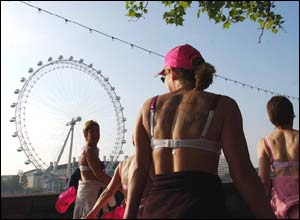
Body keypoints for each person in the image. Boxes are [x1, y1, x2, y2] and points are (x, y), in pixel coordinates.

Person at [124, 44, 276, 219]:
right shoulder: (222, 106)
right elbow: (243, 173)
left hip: (157, 209)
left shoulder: (148, 107)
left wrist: (129, 216)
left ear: (171, 72)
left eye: (163, 77)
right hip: (203, 207)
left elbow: (138, 169)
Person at [84, 137, 153, 219]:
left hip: (129, 213)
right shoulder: (151, 162)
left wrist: (92, 213)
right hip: (148, 212)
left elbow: (109, 191)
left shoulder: (122, 165)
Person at [257, 96, 299, 219]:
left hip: (283, 203)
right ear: (292, 116)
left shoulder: (264, 142)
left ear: (271, 120)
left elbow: (264, 181)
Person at [73, 120, 112, 219]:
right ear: (86, 134)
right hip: (92, 196)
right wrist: (117, 184)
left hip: (86, 195)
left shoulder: (86, 150)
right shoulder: (89, 151)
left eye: (97, 131)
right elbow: (98, 174)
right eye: (92, 132)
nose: (96, 134)